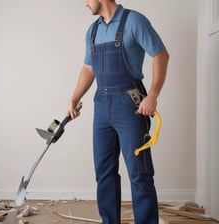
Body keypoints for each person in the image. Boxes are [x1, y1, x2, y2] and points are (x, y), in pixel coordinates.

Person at [66, 1, 169, 224]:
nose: (85, 3)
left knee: (139, 173)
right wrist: (74, 98)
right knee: (104, 172)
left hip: (130, 104)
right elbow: (88, 68)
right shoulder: (93, 30)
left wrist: (153, 94)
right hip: (102, 105)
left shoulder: (134, 21)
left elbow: (161, 54)